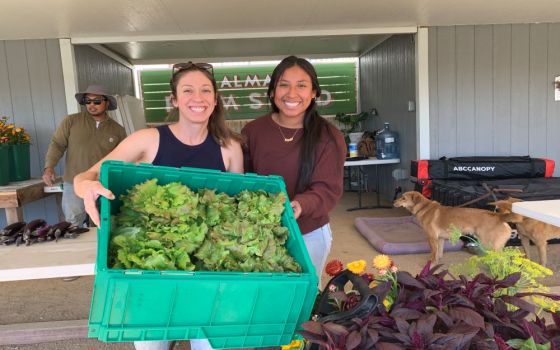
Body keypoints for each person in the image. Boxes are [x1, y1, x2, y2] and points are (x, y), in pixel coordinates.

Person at [74, 62, 243, 350]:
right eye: (187, 90)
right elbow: (86, 176)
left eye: (205, 91)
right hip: (152, 278)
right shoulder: (148, 140)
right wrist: (86, 187)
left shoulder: (229, 148)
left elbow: (236, 211)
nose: (197, 98)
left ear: (215, 100)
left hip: (208, 277)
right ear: (175, 99)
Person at [241, 56, 346, 282]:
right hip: (259, 233)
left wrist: (300, 205)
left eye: (301, 85)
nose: (292, 93)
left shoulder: (328, 136)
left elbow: (328, 189)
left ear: (314, 93)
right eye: (284, 84)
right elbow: (243, 179)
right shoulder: (253, 131)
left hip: (308, 232)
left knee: (303, 300)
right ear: (272, 92)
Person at [43, 85, 127, 227]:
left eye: (97, 101)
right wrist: (49, 167)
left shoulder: (118, 130)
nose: (91, 105)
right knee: (72, 224)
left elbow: (124, 158)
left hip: (103, 184)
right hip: (73, 182)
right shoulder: (71, 122)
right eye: (88, 101)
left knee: (101, 224)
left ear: (107, 103)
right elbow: (57, 144)